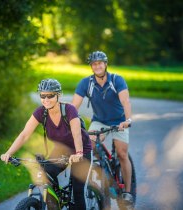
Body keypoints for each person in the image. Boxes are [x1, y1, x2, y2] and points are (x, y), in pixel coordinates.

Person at [0, 79, 92, 210]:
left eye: (50, 95)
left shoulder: (69, 110)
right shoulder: (41, 112)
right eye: (43, 96)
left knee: (77, 192)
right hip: (61, 150)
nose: (46, 99)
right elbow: (24, 134)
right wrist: (9, 153)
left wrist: (78, 153)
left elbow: (76, 134)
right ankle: (55, 203)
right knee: (45, 175)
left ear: (58, 95)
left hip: (81, 150)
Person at [72, 51, 134, 205]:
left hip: (119, 121)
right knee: (90, 145)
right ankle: (104, 169)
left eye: (100, 63)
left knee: (121, 153)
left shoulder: (116, 80)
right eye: (94, 64)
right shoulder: (86, 83)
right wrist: (69, 122)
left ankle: (127, 191)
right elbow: (74, 106)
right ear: (91, 67)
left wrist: (127, 120)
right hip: (99, 121)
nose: (97, 66)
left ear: (105, 64)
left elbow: (126, 101)